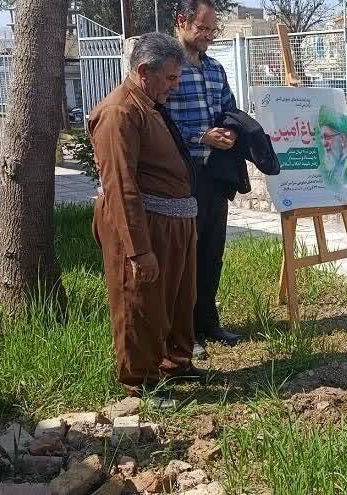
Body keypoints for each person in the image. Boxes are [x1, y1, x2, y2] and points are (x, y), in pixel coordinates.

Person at [90, 33, 204, 405]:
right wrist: (139, 251)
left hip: (173, 223)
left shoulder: (148, 104)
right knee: (139, 302)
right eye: (170, 78)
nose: (176, 86)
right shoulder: (119, 113)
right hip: (146, 227)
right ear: (144, 71)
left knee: (175, 299)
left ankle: (175, 363)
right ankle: (140, 382)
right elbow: (121, 187)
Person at [165, 0, 243, 359]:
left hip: (214, 174)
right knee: (185, 256)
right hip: (181, 175)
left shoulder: (215, 69)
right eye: (203, 29)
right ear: (182, 22)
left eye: (213, 30)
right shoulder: (166, 67)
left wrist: (230, 132)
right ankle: (185, 332)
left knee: (212, 252)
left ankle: (209, 322)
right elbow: (157, 120)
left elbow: (228, 108)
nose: (209, 37)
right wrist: (201, 135)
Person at [316, 105, 347, 189]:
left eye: (327, 137)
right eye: (322, 138)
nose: (324, 143)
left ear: (342, 139)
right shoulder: (335, 165)